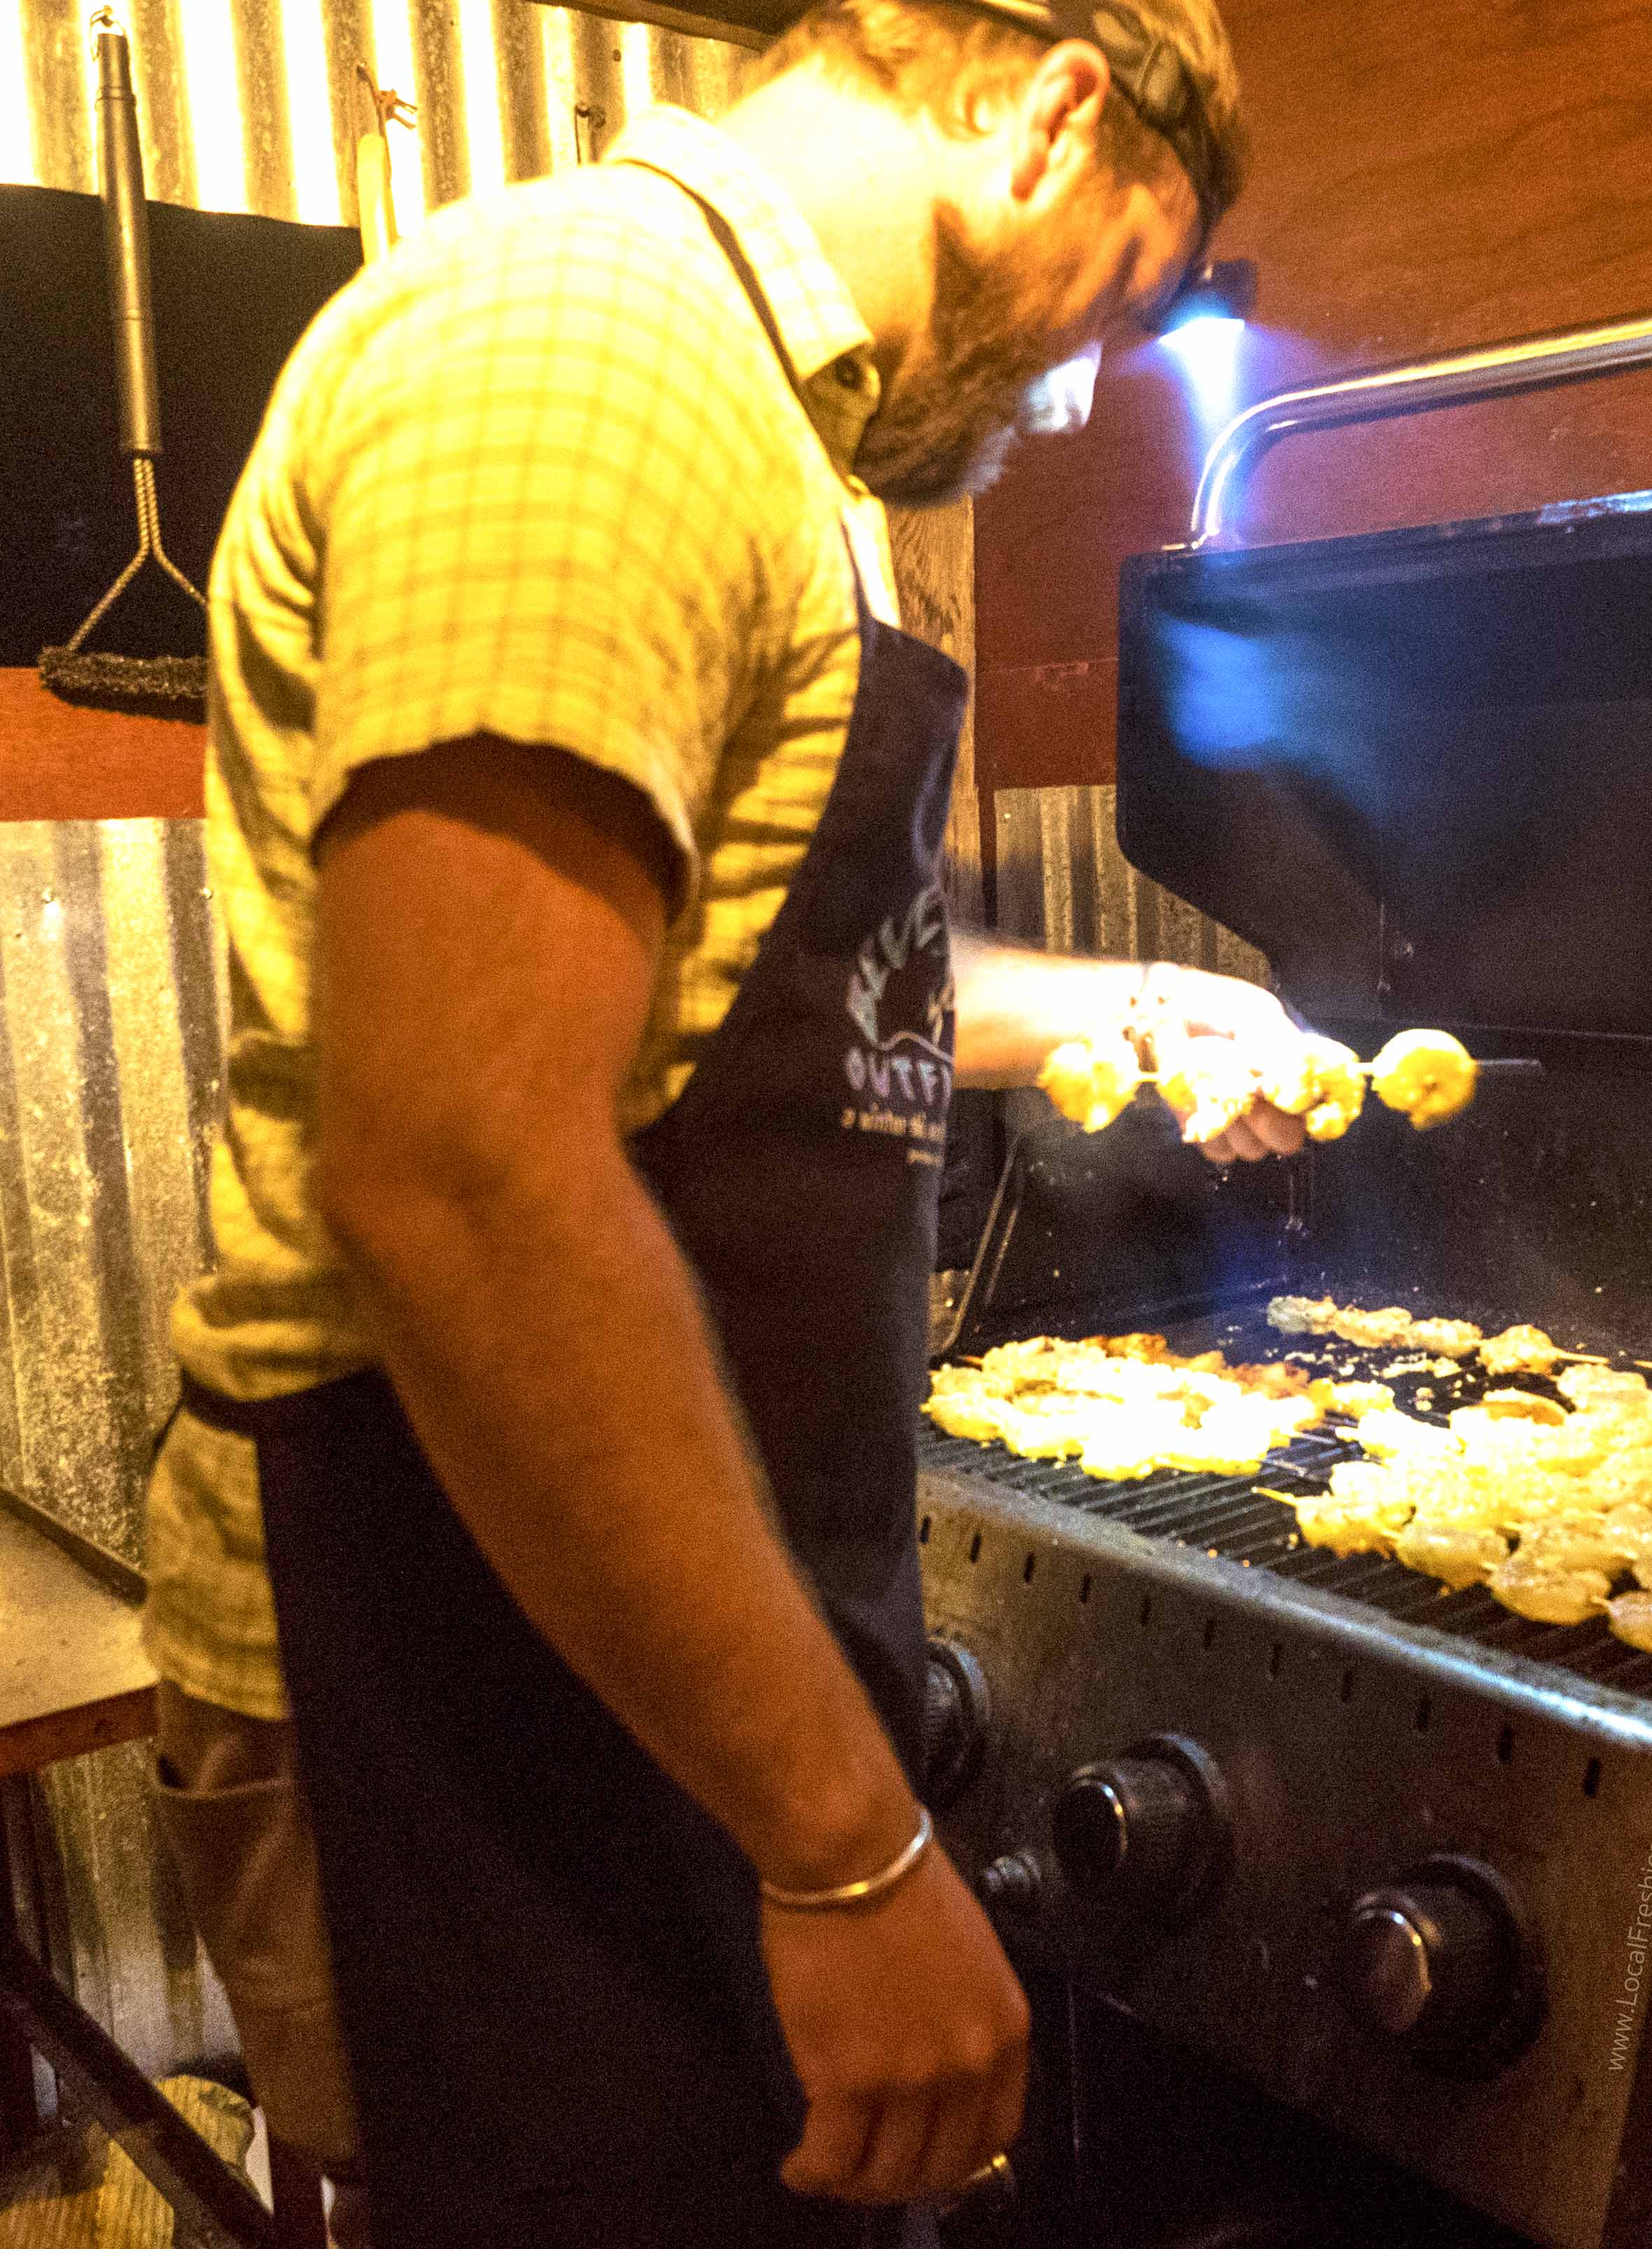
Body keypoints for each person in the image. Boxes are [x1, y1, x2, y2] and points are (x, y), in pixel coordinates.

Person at [139, 3, 1278, 2242]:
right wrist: (845, 1851)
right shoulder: (602, 355)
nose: (1073, 392)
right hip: (459, 1657)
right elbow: (464, 1173)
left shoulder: (772, 430)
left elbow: (758, 993)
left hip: (635, 1633)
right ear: (1047, 112)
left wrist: (1132, 1003)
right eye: (1121, 298)